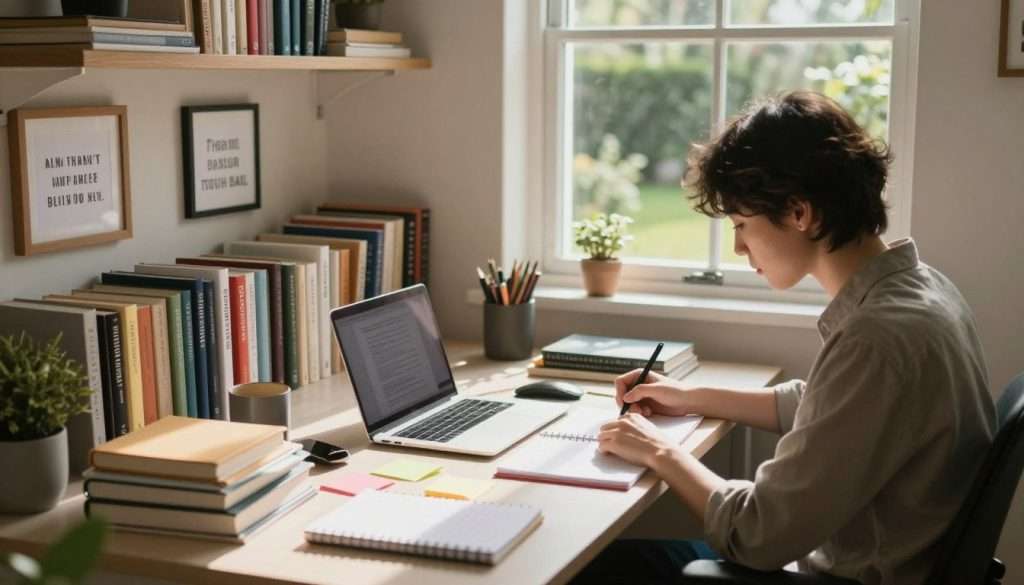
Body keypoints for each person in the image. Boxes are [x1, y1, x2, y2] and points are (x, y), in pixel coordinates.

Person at [569, 91, 997, 585]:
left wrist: (659, 452)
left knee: (584, 566)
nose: (737, 246)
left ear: (799, 213)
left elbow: (757, 536)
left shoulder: (876, 338)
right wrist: (690, 397)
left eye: (742, 224)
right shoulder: (921, 289)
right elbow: (830, 406)